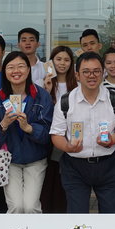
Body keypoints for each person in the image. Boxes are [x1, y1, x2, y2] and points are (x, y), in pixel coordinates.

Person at [49, 51, 115, 213]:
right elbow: (56, 134)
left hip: (108, 165)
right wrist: (67, 147)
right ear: (77, 75)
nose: (91, 76)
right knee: (77, 217)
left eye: (96, 71)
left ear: (103, 73)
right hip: (75, 167)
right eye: (86, 71)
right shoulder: (65, 101)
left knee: (112, 214)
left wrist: (112, 139)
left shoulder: (114, 99)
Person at [0, 51, 54, 213]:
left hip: (36, 159)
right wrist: (3, 124)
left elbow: (49, 133)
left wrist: (29, 128)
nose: (16, 71)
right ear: (5, 71)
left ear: (28, 70)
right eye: (11, 67)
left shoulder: (41, 96)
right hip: (9, 159)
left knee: (31, 206)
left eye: (21, 66)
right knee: (15, 206)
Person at [40, 45, 78, 213]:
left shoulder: (77, 85)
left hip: (71, 136)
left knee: (66, 177)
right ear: (52, 61)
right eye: (58, 59)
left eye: (66, 60)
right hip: (50, 137)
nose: (62, 63)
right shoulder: (44, 83)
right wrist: (47, 91)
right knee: (51, 176)